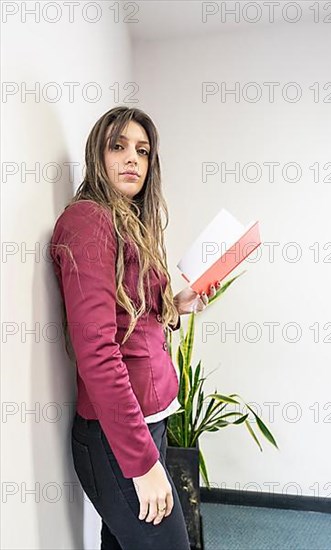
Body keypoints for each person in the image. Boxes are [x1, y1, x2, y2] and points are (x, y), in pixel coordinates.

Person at [50, 106, 221, 550]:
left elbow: (135, 319)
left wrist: (177, 306)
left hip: (147, 421)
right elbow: (97, 352)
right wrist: (142, 464)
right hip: (118, 437)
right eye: (118, 146)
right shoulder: (89, 222)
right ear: (97, 155)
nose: (132, 159)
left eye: (142, 151)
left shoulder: (127, 221)